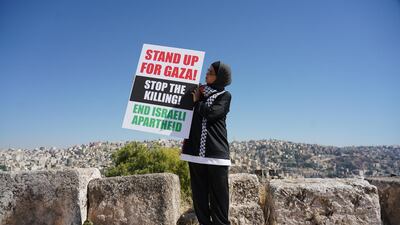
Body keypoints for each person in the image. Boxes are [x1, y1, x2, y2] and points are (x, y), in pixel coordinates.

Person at [180, 61, 232, 225]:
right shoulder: (197, 92)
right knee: (200, 198)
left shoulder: (224, 96)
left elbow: (212, 113)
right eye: (207, 71)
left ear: (219, 77)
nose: (206, 74)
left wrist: (197, 102)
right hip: (195, 153)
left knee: (220, 199)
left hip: (216, 154)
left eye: (210, 72)